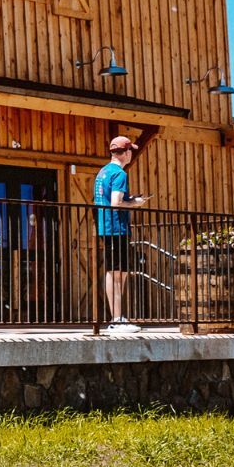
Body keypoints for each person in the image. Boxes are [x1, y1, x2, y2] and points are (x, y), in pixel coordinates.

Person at [94, 135, 147, 331]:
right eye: (130, 151)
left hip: (105, 227)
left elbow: (107, 199)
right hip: (116, 228)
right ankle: (117, 319)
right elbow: (115, 203)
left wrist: (130, 199)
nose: (131, 154)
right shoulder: (119, 174)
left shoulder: (102, 173)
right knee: (118, 274)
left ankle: (117, 318)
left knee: (115, 272)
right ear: (125, 153)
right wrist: (135, 203)